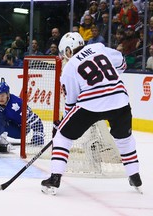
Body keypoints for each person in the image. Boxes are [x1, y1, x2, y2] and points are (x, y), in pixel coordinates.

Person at [41, 32, 142, 195]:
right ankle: (134, 175)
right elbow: (122, 63)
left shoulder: (69, 68)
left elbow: (71, 102)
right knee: (124, 139)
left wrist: (63, 125)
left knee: (62, 137)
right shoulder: (99, 47)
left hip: (91, 104)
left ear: (68, 51)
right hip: (119, 99)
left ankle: (54, 179)